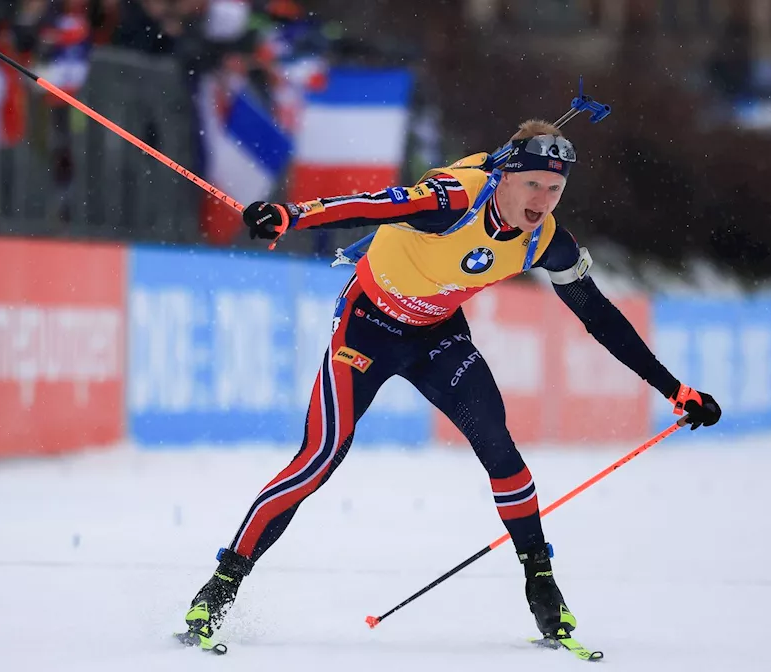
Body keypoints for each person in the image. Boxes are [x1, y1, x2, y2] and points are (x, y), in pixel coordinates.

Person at [177, 120, 723, 653]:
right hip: (366, 326)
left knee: (500, 448)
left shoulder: (547, 241)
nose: (543, 200)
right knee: (321, 455)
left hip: (437, 336)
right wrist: (289, 216)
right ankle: (220, 586)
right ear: (506, 176)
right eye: (532, 184)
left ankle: (542, 585)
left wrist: (674, 389)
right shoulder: (452, 199)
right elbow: (375, 205)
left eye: (555, 189)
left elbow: (599, 317)